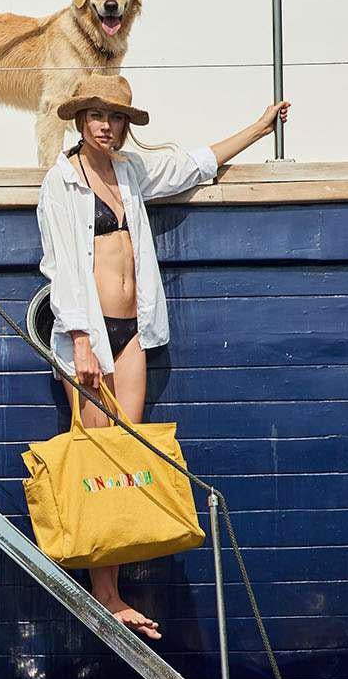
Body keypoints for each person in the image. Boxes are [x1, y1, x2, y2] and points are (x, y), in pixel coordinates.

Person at [35, 74, 289, 638]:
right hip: (90, 336)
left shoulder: (130, 172)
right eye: (97, 115)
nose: (106, 125)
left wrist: (258, 127)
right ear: (80, 120)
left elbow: (192, 164)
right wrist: (79, 339)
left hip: (134, 333)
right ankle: (105, 592)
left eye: (116, 116)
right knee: (96, 454)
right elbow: (60, 266)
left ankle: (113, 582)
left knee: (125, 455)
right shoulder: (62, 182)